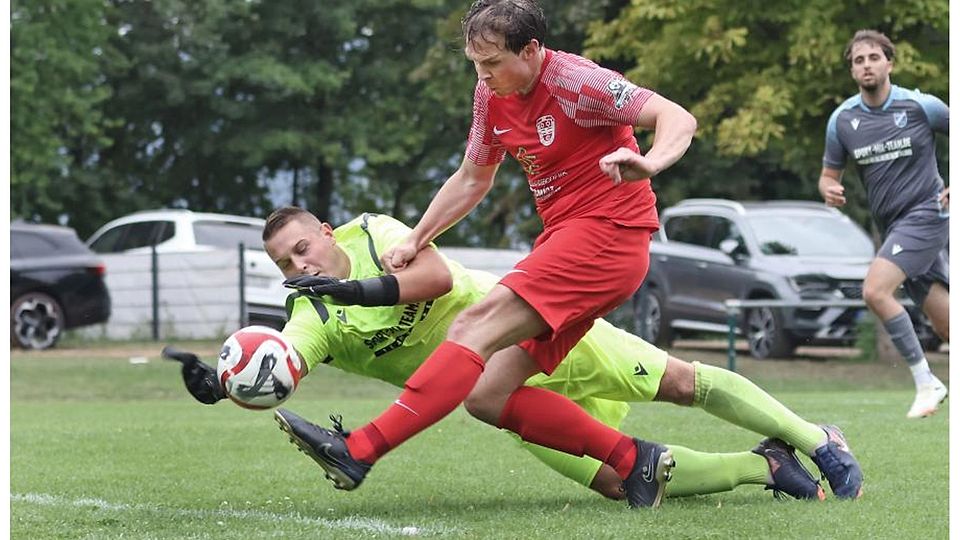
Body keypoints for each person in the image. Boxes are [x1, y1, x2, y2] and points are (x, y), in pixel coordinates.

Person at [268, 1, 863, 508]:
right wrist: (418, 236)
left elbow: (676, 117)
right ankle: (697, 456)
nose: (483, 77)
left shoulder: (576, 80)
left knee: (476, 325)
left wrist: (649, 163)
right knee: (487, 397)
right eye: (475, 65)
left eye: (493, 63)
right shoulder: (489, 97)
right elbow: (473, 178)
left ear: (531, 51)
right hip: (564, 241)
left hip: (608, 233)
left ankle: (362, 450)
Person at [166, 206, 863, 505]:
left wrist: (352, 283)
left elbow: (434, 277)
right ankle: (761, 466)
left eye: (302, 248)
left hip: (531, 330)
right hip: (503, 399)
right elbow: (280, 361)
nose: (297, 263)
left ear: (325, 229)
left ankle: (814, 438)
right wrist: (224, 386)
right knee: (623, 485)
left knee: (681, 381)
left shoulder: (375, 233)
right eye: (283, 261)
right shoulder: (311, 311)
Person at [818, 29, 949, 419]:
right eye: (858, 61)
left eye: (874, 57)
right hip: (895, 228)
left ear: (889, 63)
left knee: (875, 291)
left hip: (927, 214)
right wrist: (829, 189)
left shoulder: (920, 106)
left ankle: (927, 382)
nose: (866, 65)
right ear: (852, 70)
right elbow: (829, 175)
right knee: (947, 327)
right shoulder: (842, 120)